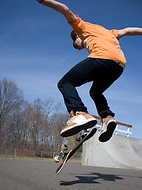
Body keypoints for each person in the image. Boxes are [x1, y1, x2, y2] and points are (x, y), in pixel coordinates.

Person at [36, 0, 142, 142]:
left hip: (101, 58)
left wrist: (44, 1)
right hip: (119, 66)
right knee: (95, 92)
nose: (78, 48)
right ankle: (107, 117)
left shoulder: (82, 28)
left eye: (76, 44)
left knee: (65, 82)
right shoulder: (108, 32)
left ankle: (79, 114)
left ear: (77, 36)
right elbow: (127, 31)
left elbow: (65, 10)